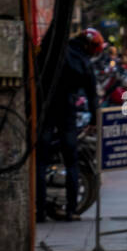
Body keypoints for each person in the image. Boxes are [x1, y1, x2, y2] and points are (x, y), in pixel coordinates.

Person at [37, 28, 101, 221]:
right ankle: (71, 210)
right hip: (66, 113)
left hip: (44, 110)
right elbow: (92, 95)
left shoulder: (52, 51)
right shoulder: (83, 62)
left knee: (40, 161)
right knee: (71, 160)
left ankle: (38, 211)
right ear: (89, 46)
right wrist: (95, 121)